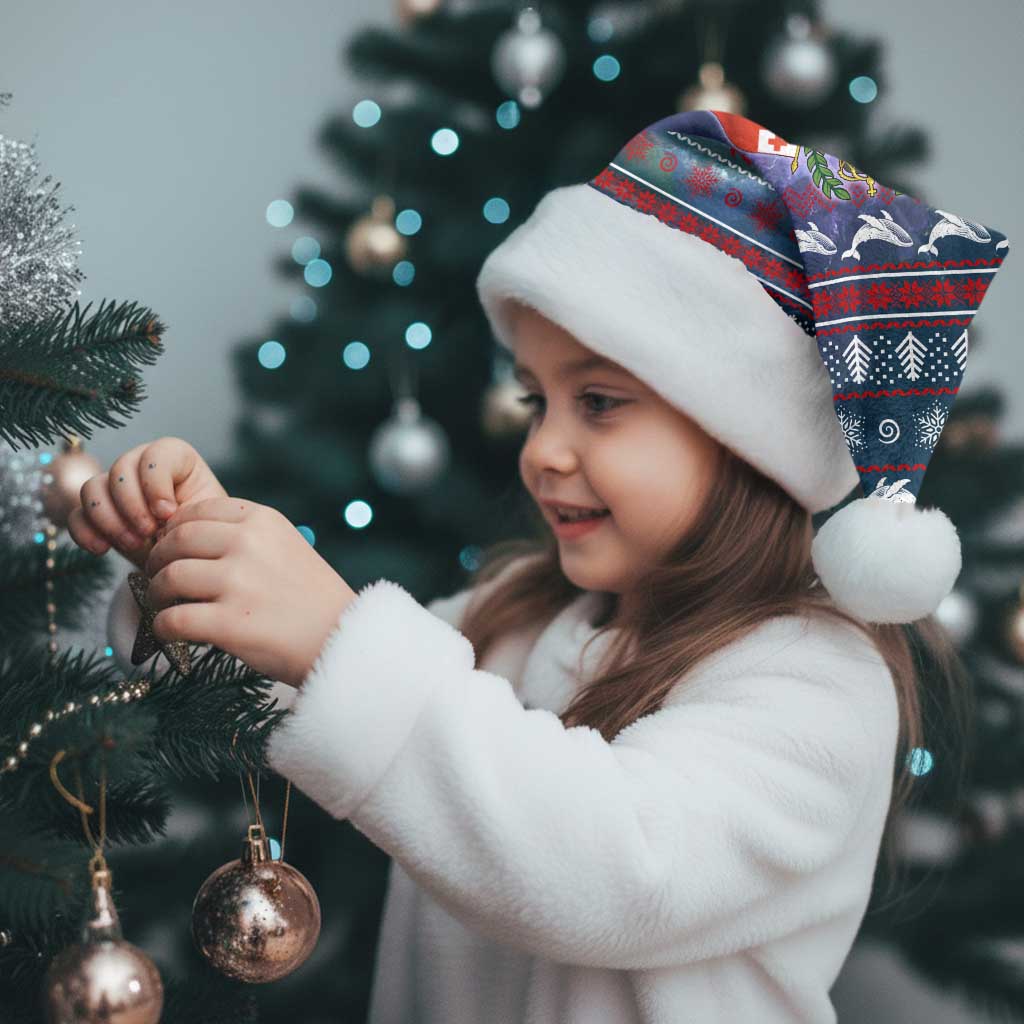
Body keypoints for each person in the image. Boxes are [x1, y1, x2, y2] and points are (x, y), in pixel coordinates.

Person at [76, 109, 1010, 1023]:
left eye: (598, 402)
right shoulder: (516, 615)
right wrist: (194, 563)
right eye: (536, 401)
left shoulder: (818, 682)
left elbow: (615, 871)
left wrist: (333, 636)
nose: (542, 451)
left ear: (745, 439)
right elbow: (306, 691)